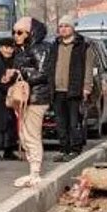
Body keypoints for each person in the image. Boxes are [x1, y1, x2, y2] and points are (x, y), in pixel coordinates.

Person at [42, 16, 95, 161]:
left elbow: (88, 68)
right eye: (61, 26)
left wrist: (86, 87)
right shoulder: (55, 45)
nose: (63, 29)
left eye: (67, 26)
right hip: (57, 90)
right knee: (60, 122)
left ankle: (75, 149)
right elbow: (49, 67)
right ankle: (64, 149)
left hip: (74, 90)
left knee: (74, 122)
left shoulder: (83, 46)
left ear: (73, 28)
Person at [11, 16, 52, 187]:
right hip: (26, 97)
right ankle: (32, 170)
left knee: (31, 135)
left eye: (20, 32)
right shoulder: (23, 50)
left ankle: (35, 172)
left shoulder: (39, 49)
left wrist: (22, 74)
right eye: (14, 32)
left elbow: (43, 73)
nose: (16, 36)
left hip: (36, 97)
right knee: (24, 134)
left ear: (30, 33)